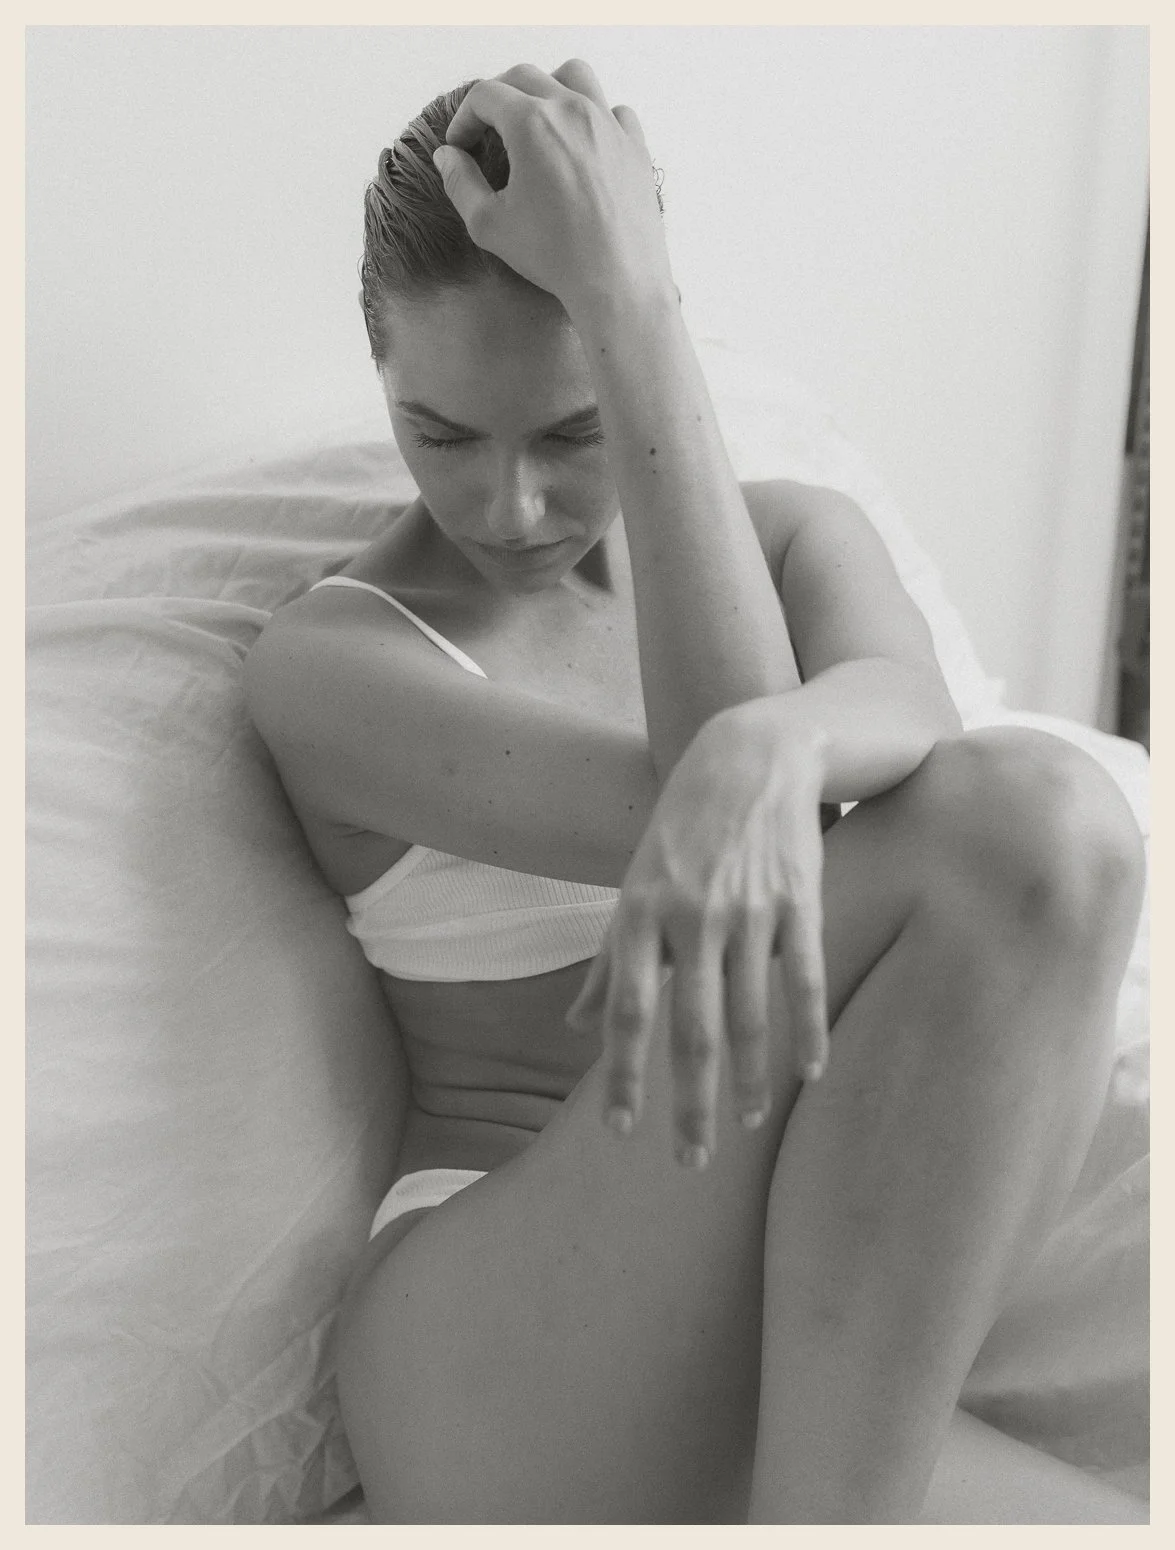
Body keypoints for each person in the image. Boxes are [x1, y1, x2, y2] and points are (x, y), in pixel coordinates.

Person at [243, 60, 1147, 1525]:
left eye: (577, 431)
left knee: (1057, 833)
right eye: (442, 435)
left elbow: (849, 738)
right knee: (1027, 824)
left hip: (809, 1338)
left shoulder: (791, 537)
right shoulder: (331, 662)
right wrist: (763, 749)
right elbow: (759, 858)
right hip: (504, 1344)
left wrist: (771, 744)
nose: (510, 508)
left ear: (655, 367)